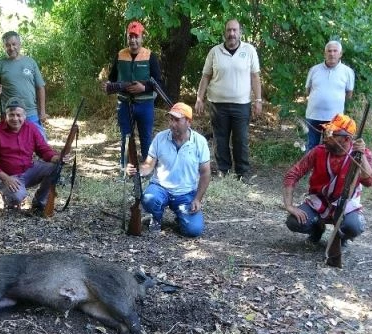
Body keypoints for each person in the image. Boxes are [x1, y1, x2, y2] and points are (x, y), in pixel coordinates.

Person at [283, 114, 372, 245]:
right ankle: (317, 229)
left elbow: (370, 182)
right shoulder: (318, 151)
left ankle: (341, 237)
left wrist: (361, 156)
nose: (326, 137)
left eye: (332, 134)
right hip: (319, 201)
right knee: (294, 222)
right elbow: (292, 174)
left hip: (346, 203)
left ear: (347, 139)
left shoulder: (363, 154)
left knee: (353, 227)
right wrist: (289, 206)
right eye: (327, 132)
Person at [126, 103, 211, 237]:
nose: (172, 124)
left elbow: (205, 173)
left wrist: (197, 199)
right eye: (171, 119)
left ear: (188, 122)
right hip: (161, 188)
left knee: (193, 231)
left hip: (186, 193)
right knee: (149, 199)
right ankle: (156, 217)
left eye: (177, 120)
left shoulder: (200, 142)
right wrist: (136, 170)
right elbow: (148, 165)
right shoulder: (160, 137)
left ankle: (181, 215)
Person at [195, 19, 262, 181]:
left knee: (241, 139)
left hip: (242, 104)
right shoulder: (215, 52)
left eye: (235, 30)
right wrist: (199, 98)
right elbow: (206, 76)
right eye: (229, 30)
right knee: (220, 138)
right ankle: (223, 170)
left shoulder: (249, 50)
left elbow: (255, 76)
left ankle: (242, 173)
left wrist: (258, 99)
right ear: (224, 32)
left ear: (240, 32)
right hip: (218, 104)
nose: (231, 34)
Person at [0, 98, 64, 215]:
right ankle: (9, 199)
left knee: (55, 167)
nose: (15, 118)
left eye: (18, 115)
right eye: (11, 115)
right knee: (17, 197)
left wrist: (56, 158)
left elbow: (43, 149)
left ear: (25, 116)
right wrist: (6, 178)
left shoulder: (31, 128)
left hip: (28, 170)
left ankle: (39, 202)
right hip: (7, 176)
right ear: (6, 116)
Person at [101, 20, 164, 163]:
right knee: (125, 137)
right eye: (131, 36)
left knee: (146, 138)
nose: (133, 40)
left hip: (145, 105)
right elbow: (112, 78)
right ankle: (125, 169)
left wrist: (144, 88)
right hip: (124, 104)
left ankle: (147, 169)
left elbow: (159, 83)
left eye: (136, 36)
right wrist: (108, 86)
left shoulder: (150, 56)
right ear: (127, 38)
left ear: (142, 38)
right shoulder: (120, 55)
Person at [0, 31, 49, 139]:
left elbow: (40, 87)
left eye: (14, 44)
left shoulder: (30, 62)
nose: (11, 48)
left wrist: (42, 112)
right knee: (11, 148)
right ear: (4, 47)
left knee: (41, 143)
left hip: (31, 112)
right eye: (7, 45)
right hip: (10, 115)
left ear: (19, 44)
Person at [304, 41, 355, 151]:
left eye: (335, 51)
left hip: (334, 119)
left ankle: (326, 168)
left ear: (340, 54)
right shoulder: (314, 70)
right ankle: (310, 168)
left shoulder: (348, 72)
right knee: (311, 147)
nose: (332, 54)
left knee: (331, 148)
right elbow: (307, 90)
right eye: (329, 51)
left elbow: (349, 94)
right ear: (325, 53)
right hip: (313, 116)